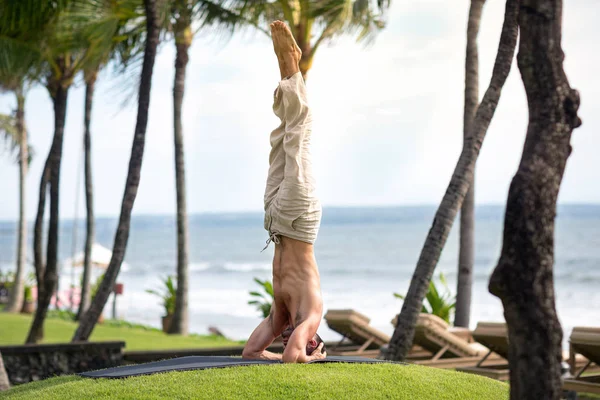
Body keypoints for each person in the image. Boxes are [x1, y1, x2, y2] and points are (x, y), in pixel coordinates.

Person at [241, 20, 326, 363]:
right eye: (310, 342)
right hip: (291, 220)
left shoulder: (285, 315)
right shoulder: (307, 312)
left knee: (284, 139)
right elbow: (281, 356)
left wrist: (304, 354)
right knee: (295, 135)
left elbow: (255, 353)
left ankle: (287, 65)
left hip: (282, 221)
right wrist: (311, 356)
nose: (297, 339)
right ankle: (289, 63)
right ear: (311, 337)